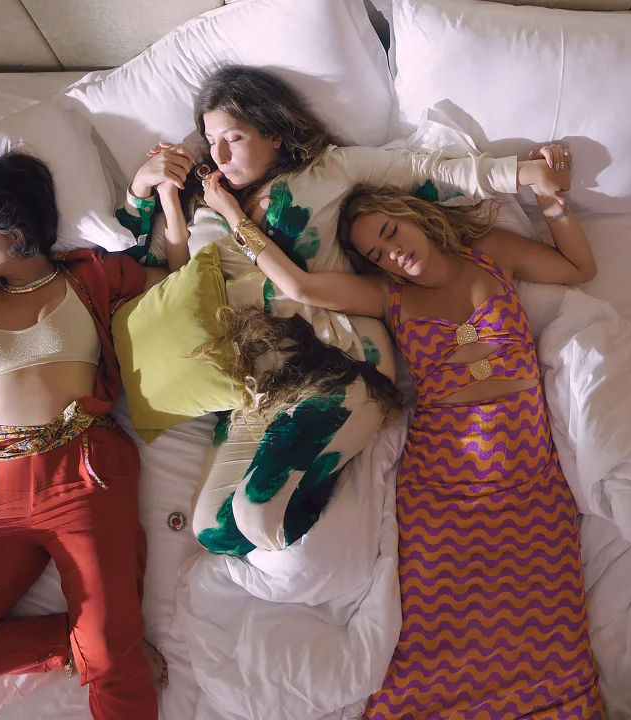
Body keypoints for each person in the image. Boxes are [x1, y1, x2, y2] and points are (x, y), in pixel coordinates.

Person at [198, 148, 605, 717]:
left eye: (391, 233)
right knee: (433, 629)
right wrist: (232, 215)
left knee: (548, 620)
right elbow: (301, 287)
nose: (393, 253)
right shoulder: (390, 296)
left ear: (412, 216)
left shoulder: (492, 254)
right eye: (376, 253)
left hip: (527, 468)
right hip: (442, 482)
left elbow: (579, 268)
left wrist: (550, 200)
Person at [0, 152, 167, 719]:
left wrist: (163, 201)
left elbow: (171, 282)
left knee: (112, 658)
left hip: (82, 474)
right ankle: (89, 644)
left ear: (14, 232)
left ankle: (105, 646)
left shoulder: (88, 276)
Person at [118, 64, 571, 359]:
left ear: (274, 133)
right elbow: (145, 270)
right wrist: (144, 187)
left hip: (315, 357)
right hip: (213, 357)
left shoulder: (330, 169)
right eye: (210, 139)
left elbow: (426, 170)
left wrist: (523, 173)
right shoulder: (203, 198)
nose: (218, 154)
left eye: (233, 139)